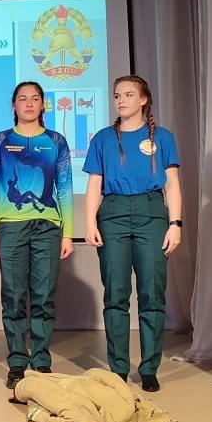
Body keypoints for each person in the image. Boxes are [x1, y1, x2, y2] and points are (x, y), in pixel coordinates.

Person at [84, 75, 181, 392]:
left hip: (151, 213)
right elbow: (94, 184)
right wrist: (90, 222)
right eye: (117, 95)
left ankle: (149, 367)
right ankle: (119, 368)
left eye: (128, 94)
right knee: (115, 293)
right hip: (112, 213)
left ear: (143, 99)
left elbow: (172, 184)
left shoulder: (163, 137)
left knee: (152, 292)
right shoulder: (102, 139)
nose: (121, 100)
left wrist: (175, 224)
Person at [0, 81, 74, 389]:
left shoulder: (56, 141)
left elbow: (65, 188)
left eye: (35, 98)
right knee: (13, 296)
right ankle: (18, 362)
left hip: (48, 226)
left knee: (44, 297)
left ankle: (42, 360)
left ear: (43, 104)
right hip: (10, 226)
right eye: (23, 99)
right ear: (14, 105)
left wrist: (68, 233)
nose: (29, 103)